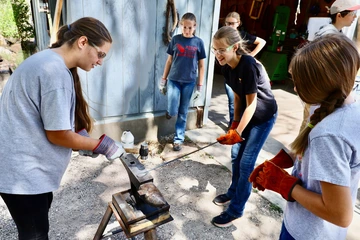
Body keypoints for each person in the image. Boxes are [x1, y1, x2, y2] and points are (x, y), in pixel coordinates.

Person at [0, 17, 125, 240]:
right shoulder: (54, 72)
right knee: (35, 235)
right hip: (22, 172)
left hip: (23, 169)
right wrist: (101, 145)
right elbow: (58, 134)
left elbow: (46, 121)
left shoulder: (48, 61)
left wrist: (83, 141)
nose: (100, 62)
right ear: (83, 42)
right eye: (101, 54)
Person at [249, 34, 360, 240]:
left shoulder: (328, 134)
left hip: (309, 233)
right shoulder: (341, 107)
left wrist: (285, 184)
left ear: (317, 84)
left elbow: (340, 214)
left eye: (298, 82)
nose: (295, 88)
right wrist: (286, 158)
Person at [211, 26, 277, 227]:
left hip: (263, 117)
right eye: (215, 49)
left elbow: (253, 104)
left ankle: (236, 210)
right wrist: (234, 125)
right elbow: (238, 97)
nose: (218, 54)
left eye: (222, 50)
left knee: (246, 163)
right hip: (247, 117)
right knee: (235, 157)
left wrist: (238, 132)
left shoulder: (248, 64)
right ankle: (233, 192)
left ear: (235, 47)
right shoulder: (226, 67)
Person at [299, 0, 360, 132]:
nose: (355, 17)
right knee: (310, 122)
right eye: (352, 13)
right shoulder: (328, 36)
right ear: (339, 15)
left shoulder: (337, 34)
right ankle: (300, 150)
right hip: (320, 87)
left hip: (326, 88)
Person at [159, 12, 206, 151]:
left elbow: (202, 66)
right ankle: (169, 111)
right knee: (173, 109)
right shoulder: (175, 40)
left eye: (190, 28)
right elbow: (169, 61)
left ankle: (178, 140)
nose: (186, 30)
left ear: (195, 27)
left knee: (183, 111)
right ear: (181, 25)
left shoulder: (198, 43)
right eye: (184, 27)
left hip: (189, 82)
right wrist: (163, 80)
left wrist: (199, 87)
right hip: (174, 79)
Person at [223, 12, 266, 128]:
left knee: (246, 101)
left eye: (232, 23)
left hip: (243, 72)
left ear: (238, 23)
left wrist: (251, 55)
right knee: (233, 101)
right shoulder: (223, 37)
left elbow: (262, 42)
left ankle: (241, 126)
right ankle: (233, 124)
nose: (229, 26)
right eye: (227, 23)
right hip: (230, 71)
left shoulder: (243, 35)